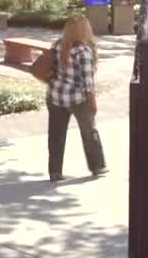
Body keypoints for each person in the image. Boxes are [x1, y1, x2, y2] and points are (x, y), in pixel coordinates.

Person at [46, 14, 107, 181]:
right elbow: (87, 83)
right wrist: (93, 102)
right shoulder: (84, 52)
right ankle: (97, 166)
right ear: (85, 31)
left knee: (56, 135)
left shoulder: (58, 45)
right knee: (89, 132)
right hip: (77, 99)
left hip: (55, 96)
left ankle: (55, 172)